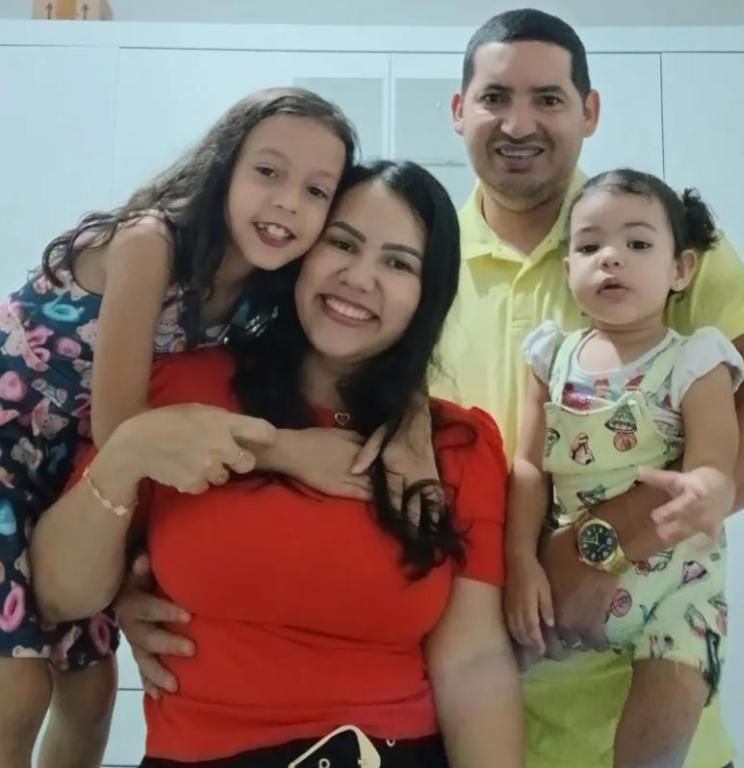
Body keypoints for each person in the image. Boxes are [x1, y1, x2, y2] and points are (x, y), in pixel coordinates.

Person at [30, 160, 524, 767]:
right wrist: (127, 453)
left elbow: (473, 662)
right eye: (342, 243)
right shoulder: (180, 388)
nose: (359, 278)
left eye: (398, 264)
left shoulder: (457, 445)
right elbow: (60, 596)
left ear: (429, 296)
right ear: (302, 252)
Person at [434, 9, 744, 768]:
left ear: (589, 110)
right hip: (464, 722)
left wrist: (601, 549)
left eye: (548, 98)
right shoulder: (417, 260)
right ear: (458, 111)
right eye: (494, 98)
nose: (519, 123)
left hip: (648, 707)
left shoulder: (662, 237)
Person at [0, 86, 356, 768]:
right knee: (16, 689)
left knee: (91, 696)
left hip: (67, 478)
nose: (288, 202)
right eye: (268, 172)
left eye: (316, 191)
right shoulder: (151, 243)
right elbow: (123, 428)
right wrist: (288, 451)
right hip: (9, 453)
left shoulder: (260, 300)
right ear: (225, 168)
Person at [505, 169, 743, 768]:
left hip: (677, 583)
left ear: (680, 269)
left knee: (671, 702)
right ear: (568, 271)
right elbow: (529, 468)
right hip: (566, 573)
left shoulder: (696, 360)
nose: (611, 258)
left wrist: (709, 489)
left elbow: (715, 460)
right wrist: (520, 559)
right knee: (489, 667)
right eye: (590, 247)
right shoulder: (550, 356)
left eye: (638, 244)